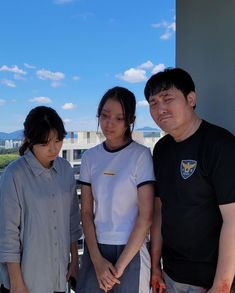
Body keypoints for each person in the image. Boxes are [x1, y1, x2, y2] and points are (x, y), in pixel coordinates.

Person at [144, 68, 235, 292]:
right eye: (153, 103)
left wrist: (221, 286)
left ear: (191, 99)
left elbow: (233, 220)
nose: (160, 108)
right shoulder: (161, 149)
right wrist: (156, 266)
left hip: (211, 280)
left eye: (167, 98)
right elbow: (159, 209)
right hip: (171, 275)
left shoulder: (220, 145)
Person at [76, 86, 155, 292]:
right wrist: (97, 261)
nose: (109, 124)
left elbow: (146, 216)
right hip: (96, 247)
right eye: (104, 116)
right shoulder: (89, 157)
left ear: (130, 120)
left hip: (132, 249)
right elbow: (85, 212)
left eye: (119, 118)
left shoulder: (141, 155)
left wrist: (118, 268)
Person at [0, 106, 82, 293]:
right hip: (27, 280)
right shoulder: (14, 174)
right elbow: (7, 233)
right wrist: (17, 283)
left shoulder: (65, 169)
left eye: (58, 140)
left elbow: (72, 221)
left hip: (58, 276)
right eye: (45, 144)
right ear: (30, 140)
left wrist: (74, 263)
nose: (53, 149)